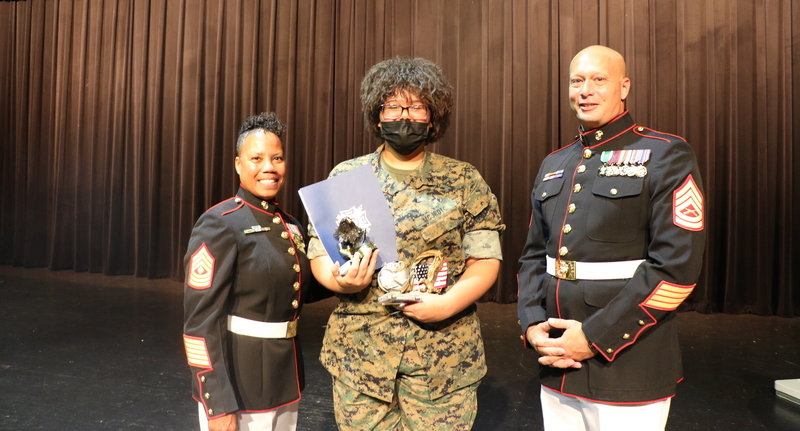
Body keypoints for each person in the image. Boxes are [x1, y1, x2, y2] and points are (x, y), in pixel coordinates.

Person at [305, 57, 505, 431]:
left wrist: (447, 305)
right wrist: (339, 283)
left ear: (433, 117)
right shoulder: (347, 177)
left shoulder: (463, 180)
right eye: (393, 106)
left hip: (442, 360)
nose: (404, 116)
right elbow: (320, 252)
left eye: (416, 107)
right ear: (377, 115)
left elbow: (485, 260)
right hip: (361, 357)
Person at [517, 45, 706, 431]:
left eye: (598, 79)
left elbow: (676, 268)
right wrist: (532, 324)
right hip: (556, 361)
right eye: (577, 81)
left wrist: (593, 337)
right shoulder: (555, 163)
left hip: (627, 362)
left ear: (624, 87)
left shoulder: (665, 154)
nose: (585, 90)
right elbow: (533, 257)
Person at [183, 112, 320, 431]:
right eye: (257, 158)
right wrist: (217, 402)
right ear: (238, 164)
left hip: (284, 379)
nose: (269, 167)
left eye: (277, 158)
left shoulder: (291, 225)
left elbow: (301, 287)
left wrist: (352, 272)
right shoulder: (220, 223)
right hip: (238, 387)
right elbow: (199, 325)